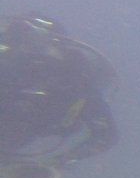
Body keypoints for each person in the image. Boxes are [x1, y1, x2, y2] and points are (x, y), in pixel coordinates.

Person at [0, 16, 117, 167]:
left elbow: (106, 135)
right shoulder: (8, 65)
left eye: (42, 48)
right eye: (26, 46)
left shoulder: (76, 80)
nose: (35, 59)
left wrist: (58, 162)